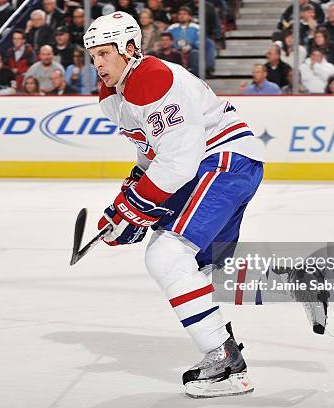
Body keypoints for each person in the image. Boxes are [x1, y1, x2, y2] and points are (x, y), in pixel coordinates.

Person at [83, 11, 263, 398]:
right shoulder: (114, 94)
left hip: (222, 161)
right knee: (202, 270)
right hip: (216, 164)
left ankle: (226, 363)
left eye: (104, 53)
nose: (97, 63)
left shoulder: (152, 77)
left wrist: (134, 209)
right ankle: (300, 281)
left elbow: (178, 163)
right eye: (92, 55)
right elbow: (153, 156)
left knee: (166, 257)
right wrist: (122, 209)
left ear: (130, 48)